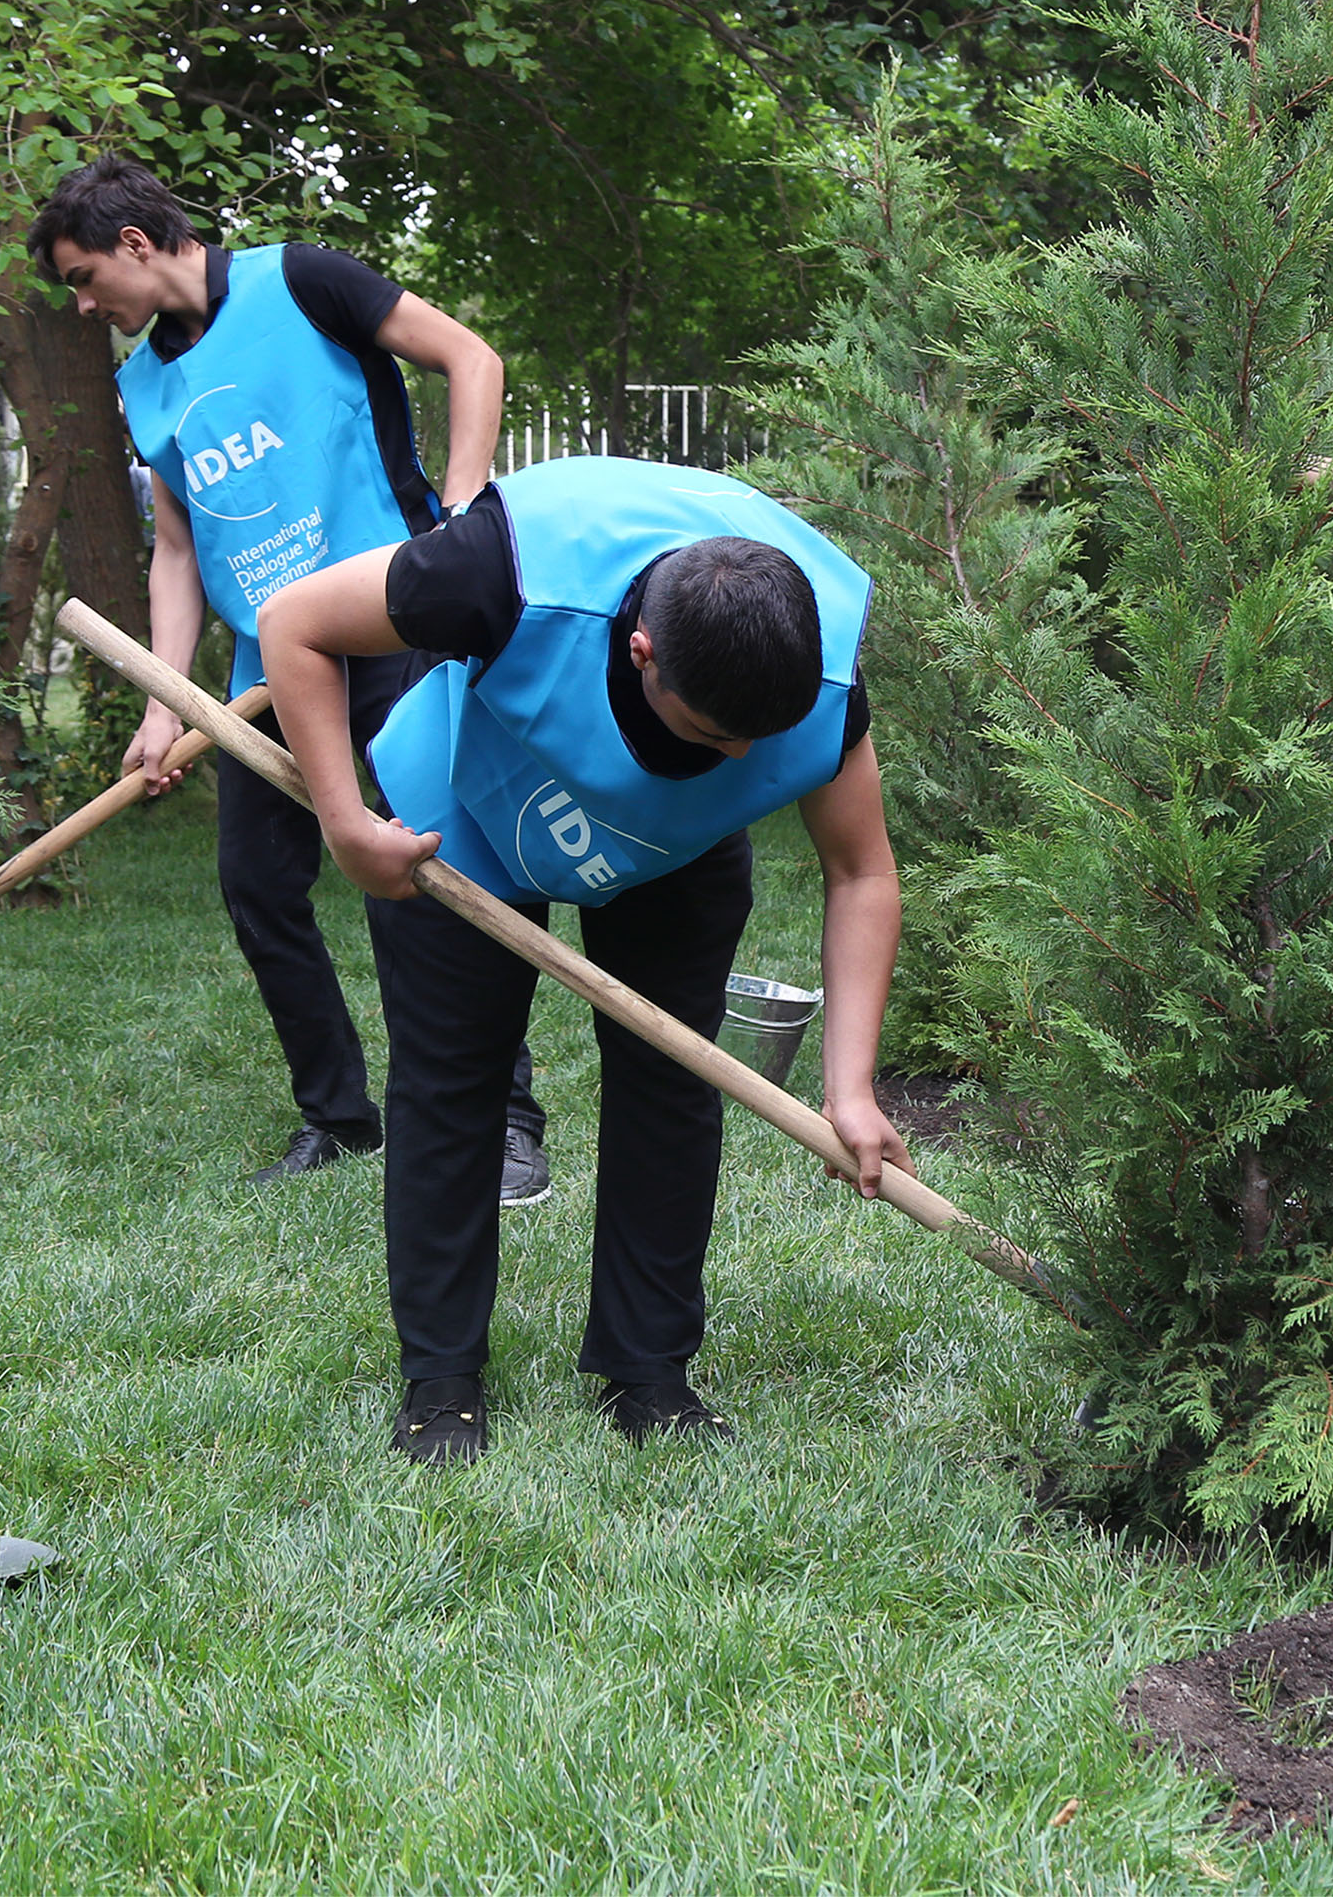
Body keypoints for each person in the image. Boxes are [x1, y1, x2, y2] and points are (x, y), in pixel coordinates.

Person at [255, 456, 913, 1464]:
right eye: (712, 730)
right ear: (644, 650)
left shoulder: (816, 669)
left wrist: (851, 1085)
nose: (745, 758)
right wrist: (345, 823)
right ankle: (441, 1382)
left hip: (672, 847)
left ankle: (648, 1373)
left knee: (671, 1077)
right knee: (450, 1081)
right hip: (469, 805)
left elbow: (861, 870)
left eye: (761, 738)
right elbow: (295, 622)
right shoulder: (500, 569)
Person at [31, 156, 549, 1192]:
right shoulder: (142, 383)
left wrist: (460, 518)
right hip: (270, 665)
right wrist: (162, 699)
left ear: (136, 243)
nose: (83, 302)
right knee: (258, 884)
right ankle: (340, 1114)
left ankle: (504, 1117)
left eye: (85, 276)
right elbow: (177, 548)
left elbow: (470, 357)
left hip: (394, 620)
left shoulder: (304, 281)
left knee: (428, 877)